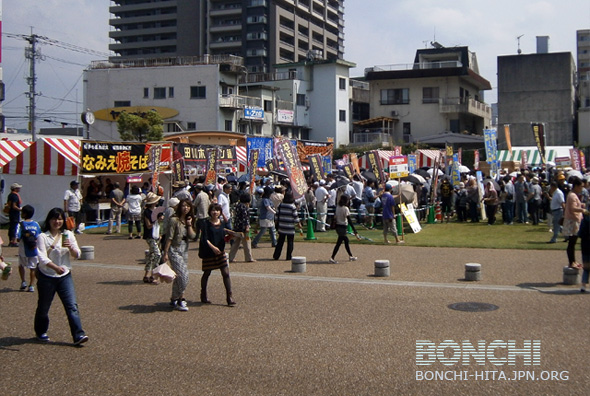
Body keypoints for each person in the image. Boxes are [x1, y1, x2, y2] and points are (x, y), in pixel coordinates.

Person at [35, 207, 88, 345]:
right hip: (47, 275)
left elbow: (77, 254)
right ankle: (41, 331)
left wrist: (71, 247)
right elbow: (42, 258)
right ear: (49, 220)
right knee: (44, 306)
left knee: (72, 305)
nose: (57, 222)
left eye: (59, 219)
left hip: (64, 275)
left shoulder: (68, 234)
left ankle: (78, 335)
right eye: (54, 219)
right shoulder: (42, 237)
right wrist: (55, 267)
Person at [161, 199, 196, 311]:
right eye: (184, 206)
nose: (186, 208)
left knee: (179, 276)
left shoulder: (188, 220)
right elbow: (169, 237)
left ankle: (178, 299)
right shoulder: (174, 220)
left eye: (188, 206)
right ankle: (177, 298)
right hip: (174, 249)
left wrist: (189, 225)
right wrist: (165, 252)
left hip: (184, 249)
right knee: (184, 275)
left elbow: (193, 236)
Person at [199, 203, 236, 306]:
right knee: (207, 273)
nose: (215, 212)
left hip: (220, 252)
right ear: (210, 212)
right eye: (213, 210)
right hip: (209, 252)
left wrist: (231, 237)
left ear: (220, 212)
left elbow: (224, 237)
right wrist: (213, 247)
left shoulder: (223, 223)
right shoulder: (206, 223)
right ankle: (203, 293)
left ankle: (229, 296)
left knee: (225, 273)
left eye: (217, 210)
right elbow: (204, 238)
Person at [329, 194, 359, 263]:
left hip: (338, 226)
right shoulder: (345, 209)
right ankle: (332, 257)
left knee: (344, 242)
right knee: (341, 242)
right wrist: (354, 230)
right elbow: (349, 220)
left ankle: (350, 256)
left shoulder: (338, 207)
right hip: (342, 226)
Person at [17, 205, 41, 292]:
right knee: (33, 267)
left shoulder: (21, 224)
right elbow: (39, 235)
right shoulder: (36, 224)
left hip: (23, 249)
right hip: (33, 249)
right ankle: (31, 285)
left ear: (24, 213)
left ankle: (23, 281)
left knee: (21, 265)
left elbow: (18, 237)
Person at [563, 178, 585, 269]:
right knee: (572, 243)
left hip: (575, 220)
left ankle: (573, 261)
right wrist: (583, 210)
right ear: (576, 186)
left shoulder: (573, 195)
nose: (582, 189)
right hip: (572, 221)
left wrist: (581, 205)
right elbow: (572, 208)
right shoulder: (572, 195)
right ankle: (571, 262)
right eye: (580, 187)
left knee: (573, 242)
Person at [228, 193, 256, 263]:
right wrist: (247, 226)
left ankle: (231, 257)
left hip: (237, 227)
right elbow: (245, 217)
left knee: (236, 243)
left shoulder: (238, 205)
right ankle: (248, 257)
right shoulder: (244, 207)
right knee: (247, 242)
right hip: (244, 228)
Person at [273, 192, 301, 261]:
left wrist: (276, 223)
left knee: (280, 242)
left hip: (282, 226)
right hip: (290, 227)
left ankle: (276, 255)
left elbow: (277, 215)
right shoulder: (292, 206)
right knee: (290, 242)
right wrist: (299, 224)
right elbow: (295, 217)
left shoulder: (281, 205)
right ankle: (288, 256)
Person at [142, 192, 162, 284]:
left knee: (151, 255)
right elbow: (148, 225)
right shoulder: (146, 212)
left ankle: (146, 275)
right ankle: (153, 275)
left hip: (156, 234)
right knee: (157, 254)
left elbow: (159, 224)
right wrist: (156, 220)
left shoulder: (157, 210)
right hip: (149, 235)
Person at [7, 182, 23, 247]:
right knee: (14, 227)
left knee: (11, 227)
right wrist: (20, 209)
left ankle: (11, 240)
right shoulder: (15, 196)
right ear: (15, 189)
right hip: (15, 213)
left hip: (11, 213)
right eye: (18, 188)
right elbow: (14, 206)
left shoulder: (10, 195)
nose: (19, 189)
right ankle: (13, 241)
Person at [578, 211, 590, 292]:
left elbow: (580, 234)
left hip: (586, 245)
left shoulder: (585, 219)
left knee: (586, 267)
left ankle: (583, 285)